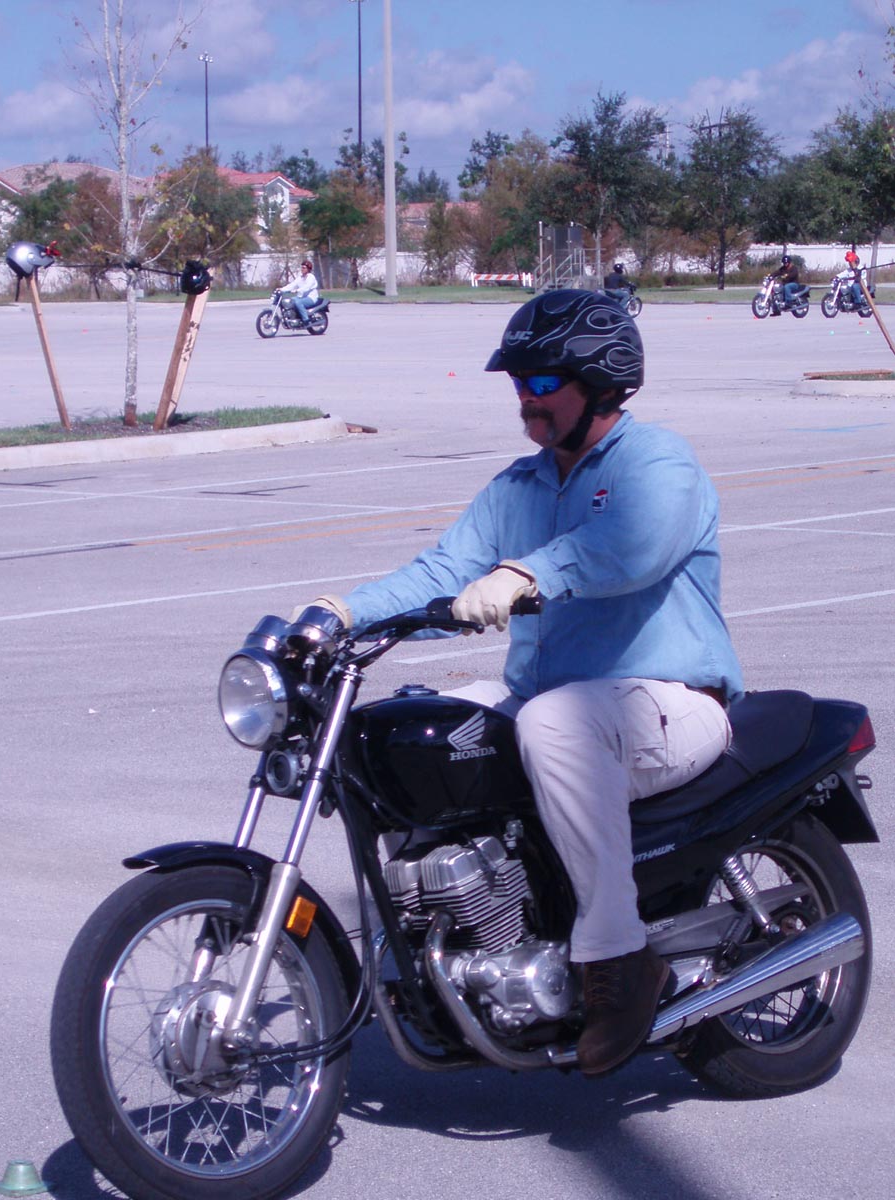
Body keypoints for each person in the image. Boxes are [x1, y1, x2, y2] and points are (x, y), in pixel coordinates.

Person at [303, 290, 743, 1076]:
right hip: (553, 702)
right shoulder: (519, 488)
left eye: (542, 383)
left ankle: (619, 961)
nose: (525, 400)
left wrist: (526, 574)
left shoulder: (658, 463)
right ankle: (444, 937)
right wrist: (339, 615)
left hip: (671, 702)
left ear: (601, 384)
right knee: (411, 735)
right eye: (517, 384)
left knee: (552, 724)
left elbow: (630, 547)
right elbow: (443, 572)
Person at [280, 259, 321, 324]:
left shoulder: (311, 277)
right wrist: (281, 289)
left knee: (298, 302)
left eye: (304, 268)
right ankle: (294, 317)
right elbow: (292, 285)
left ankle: (306, 320)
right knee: (291, 300)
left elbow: (307, 287)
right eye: (301, 268)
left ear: (308, 269)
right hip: (302, 297)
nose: (302, 269)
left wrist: (297, 290)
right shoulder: (300, 277)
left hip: (311, 298)